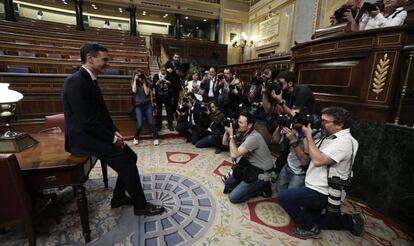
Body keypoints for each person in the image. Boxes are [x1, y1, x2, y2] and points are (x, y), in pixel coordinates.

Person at [62, 43, 164, 216]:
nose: (108, 64)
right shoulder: (76, 82)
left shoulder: (89, 79)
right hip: (84, 139)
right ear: (90, 58)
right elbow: (86, 122)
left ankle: (118, 198)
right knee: (128, 165)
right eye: (105, 59)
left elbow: (101, 113)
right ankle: (141, 206)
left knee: (131, 156)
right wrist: (111, 139)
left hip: (94, 133)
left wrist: (114, 131)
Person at [277, 107, 364, 239]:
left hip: (323, 191)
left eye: (325, 121)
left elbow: (317, 160)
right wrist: (305, 134)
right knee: (311, 217)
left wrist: (308, 136)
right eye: (321, 119)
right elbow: (309, 154)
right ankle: (350, 221)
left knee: (283, 196)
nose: (321, 123)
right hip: (314, 185)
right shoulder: (330, 137)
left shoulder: (345, 142)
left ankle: (310, 229)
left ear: (339, 125)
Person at [222, 112, 274, 203]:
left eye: (241, 123)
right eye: (238, 121)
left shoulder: (254, 137)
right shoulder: (242, 132)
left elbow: (234, 154)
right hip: (250, 166)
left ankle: (264, 187)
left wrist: (231, 135)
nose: (237, 124)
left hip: (261, 172)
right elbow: (225, 143)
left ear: (249, 125)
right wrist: (227, 132)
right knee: (228, 184)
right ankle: (248, 184)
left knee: (233, 197)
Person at [272, 107, 314, 191]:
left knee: (289, 198)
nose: (292, 120)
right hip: (288, 165)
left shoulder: (310, 133)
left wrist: (294, 140)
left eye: (295, 117)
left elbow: (305, 162)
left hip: (300, 172)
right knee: (279, 190)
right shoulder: (291, 128)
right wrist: (280, 125)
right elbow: (275, 140)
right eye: (290, 116)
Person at [131, 69, 159, 146]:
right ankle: (136, 138)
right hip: (138, 106)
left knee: (151, 122)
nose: (139, 76)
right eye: (137, 75)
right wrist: (135, 81)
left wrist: (144, 82)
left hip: (147, 105)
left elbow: (147, 93)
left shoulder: (146, 82)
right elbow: (134, 91)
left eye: (140, 75)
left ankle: (155, 138)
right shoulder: (134, 82)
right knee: (140, 123)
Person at [153, 65, 174, 131]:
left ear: (166, 70)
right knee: (159, 111)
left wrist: (169, 82)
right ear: (159, 70)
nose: (163, 71)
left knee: (169, 111)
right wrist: (157, 82)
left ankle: (170, 125)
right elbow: (153, 85)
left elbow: (173, 85)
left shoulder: (169, 76)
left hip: (168, 96)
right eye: (162, 70)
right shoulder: (156, 76)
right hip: (159, 96)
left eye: (164, 70)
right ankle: (159, 126)